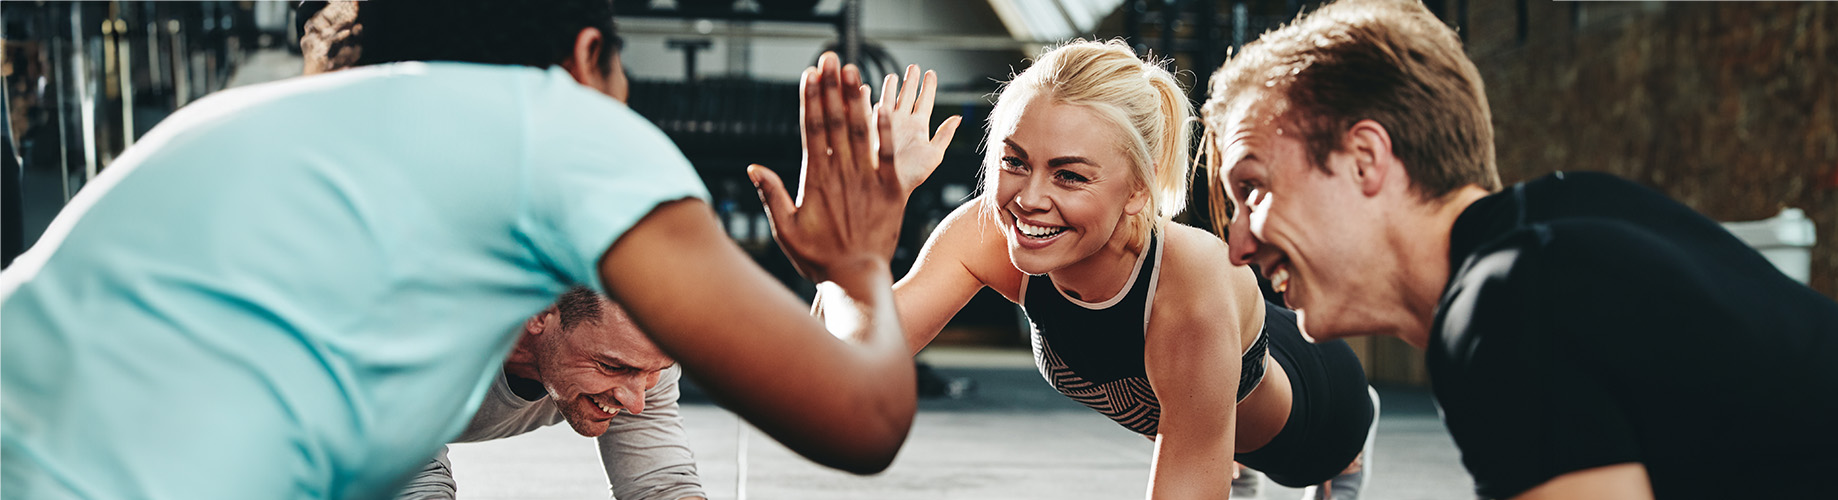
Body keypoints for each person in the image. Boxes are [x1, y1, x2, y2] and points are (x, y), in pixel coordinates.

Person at [0, 1, 920, 498]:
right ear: (588, 54)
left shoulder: (299, 132)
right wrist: (859, 264)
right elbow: (861, 421)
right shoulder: (561, 119)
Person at [1201, 0, 1838, 498]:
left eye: (1253, 188)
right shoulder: (1568, 222)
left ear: (1365, 159)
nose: (1236, 243)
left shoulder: (1511, 305)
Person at [754, 39, 1378, 499]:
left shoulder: (1186, 275)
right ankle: (1221, 449)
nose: (1028, 198)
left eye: (1071, 175)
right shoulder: (988, 234)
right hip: (1202, 409)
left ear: (1137, 191)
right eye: (1015, 161)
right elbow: (836, 374)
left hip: (1314, 416)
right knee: (1202, 429)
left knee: (1275, 459)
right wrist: (856, 243)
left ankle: (1322, 461)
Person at [395, 287, 704, 500]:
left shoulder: (639, 354)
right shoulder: (423, 332)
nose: (636, 402)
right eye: (611, 367)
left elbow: (660, 484)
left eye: (652, 372)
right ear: (540, 314)